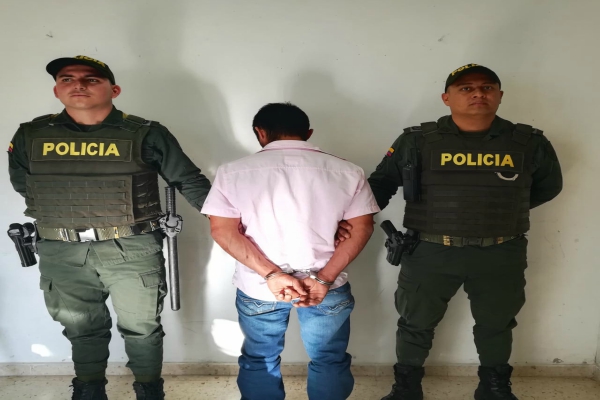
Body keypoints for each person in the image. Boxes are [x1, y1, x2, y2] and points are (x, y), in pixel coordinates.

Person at [7, 55, 212, 400]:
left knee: (142, 328)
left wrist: (234, 225)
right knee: (80, 327)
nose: (78, 85)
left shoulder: (146, 132)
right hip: (62, 250)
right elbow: (24, 185)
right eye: (67, 79)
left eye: (91, 79)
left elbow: (189, 181)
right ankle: (89, 390)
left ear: (114, 89)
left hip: (131, 248)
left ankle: (149, 391)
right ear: (56, 90)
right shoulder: (31, 135)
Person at [368, 64, 563, 400]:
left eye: (487, 87)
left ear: (499, 95)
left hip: (500, 252)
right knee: (415, 323)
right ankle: (406, 389)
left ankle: (494, 388)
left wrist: (500, 210)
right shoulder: (416, 141)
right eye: (466, 88)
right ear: (446, 98)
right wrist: (348, 221)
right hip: (430, 251)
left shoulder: (529, 142)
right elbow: (380, 184)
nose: (477, 94)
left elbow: (549, 186)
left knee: (497, 324)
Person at [201, 102, 380, 400]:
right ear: (308, 133)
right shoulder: (348, 171)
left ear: (260, 133)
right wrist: (323, 278)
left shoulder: (232, 172)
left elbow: (222, 230)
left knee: (260, 359)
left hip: (260, 285)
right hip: (326, 285)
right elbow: (362, 229)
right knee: (329, 359)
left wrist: (272, 275)